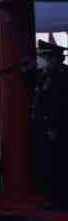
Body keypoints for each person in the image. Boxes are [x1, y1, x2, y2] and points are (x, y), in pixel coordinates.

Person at [33, 40, 68, 208]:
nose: (41, 61)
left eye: (44, 57)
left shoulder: (62, 76)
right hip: (45, 125)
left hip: (57, 127)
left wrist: (54, 126)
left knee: (58, 163)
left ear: (54, 59)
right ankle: (52, 196)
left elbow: (60, 104)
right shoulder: (46, 75)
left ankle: (59, 199)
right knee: (47, 162)